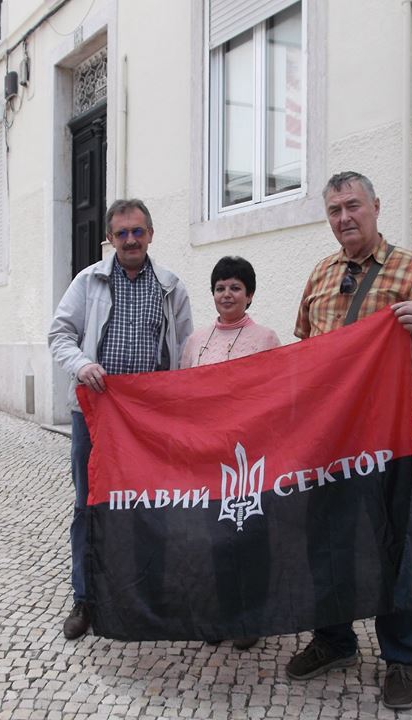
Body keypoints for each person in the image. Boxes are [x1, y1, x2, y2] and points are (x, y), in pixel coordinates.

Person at [287, 171, 412, 709]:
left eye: (353, 205)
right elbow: (304, 354)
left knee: (397, 548)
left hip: (392, 443)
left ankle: (402, 658)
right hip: (329, 443)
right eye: (334, 210)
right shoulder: (320, 275)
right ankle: (334, 639)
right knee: (326, 544)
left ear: (376, 207)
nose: (344, 217)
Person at [48, 198, 193, 640]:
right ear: (110, 238)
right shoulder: (87, 281)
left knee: (152, 502)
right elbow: (59, 334)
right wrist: (81, 365)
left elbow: (185, 351)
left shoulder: (171, 287)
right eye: (122, 233)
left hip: (151, 419)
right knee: (90, 503)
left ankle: (152, 591)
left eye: (138, 231)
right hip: (96, 415)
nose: (131, 240)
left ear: (150, 234)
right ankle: (86, 597)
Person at [180, 256, 280, 651]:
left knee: (249, 534)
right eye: (220, 287)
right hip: (208, 455)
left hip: (249, 457)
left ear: (249, 295)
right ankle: (221, 611)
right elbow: (182, 391)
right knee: (215, 536)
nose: (227, 294)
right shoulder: (195, 341)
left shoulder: (266, 339)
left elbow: (274, 395)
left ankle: (250, 614)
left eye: (235, 287)